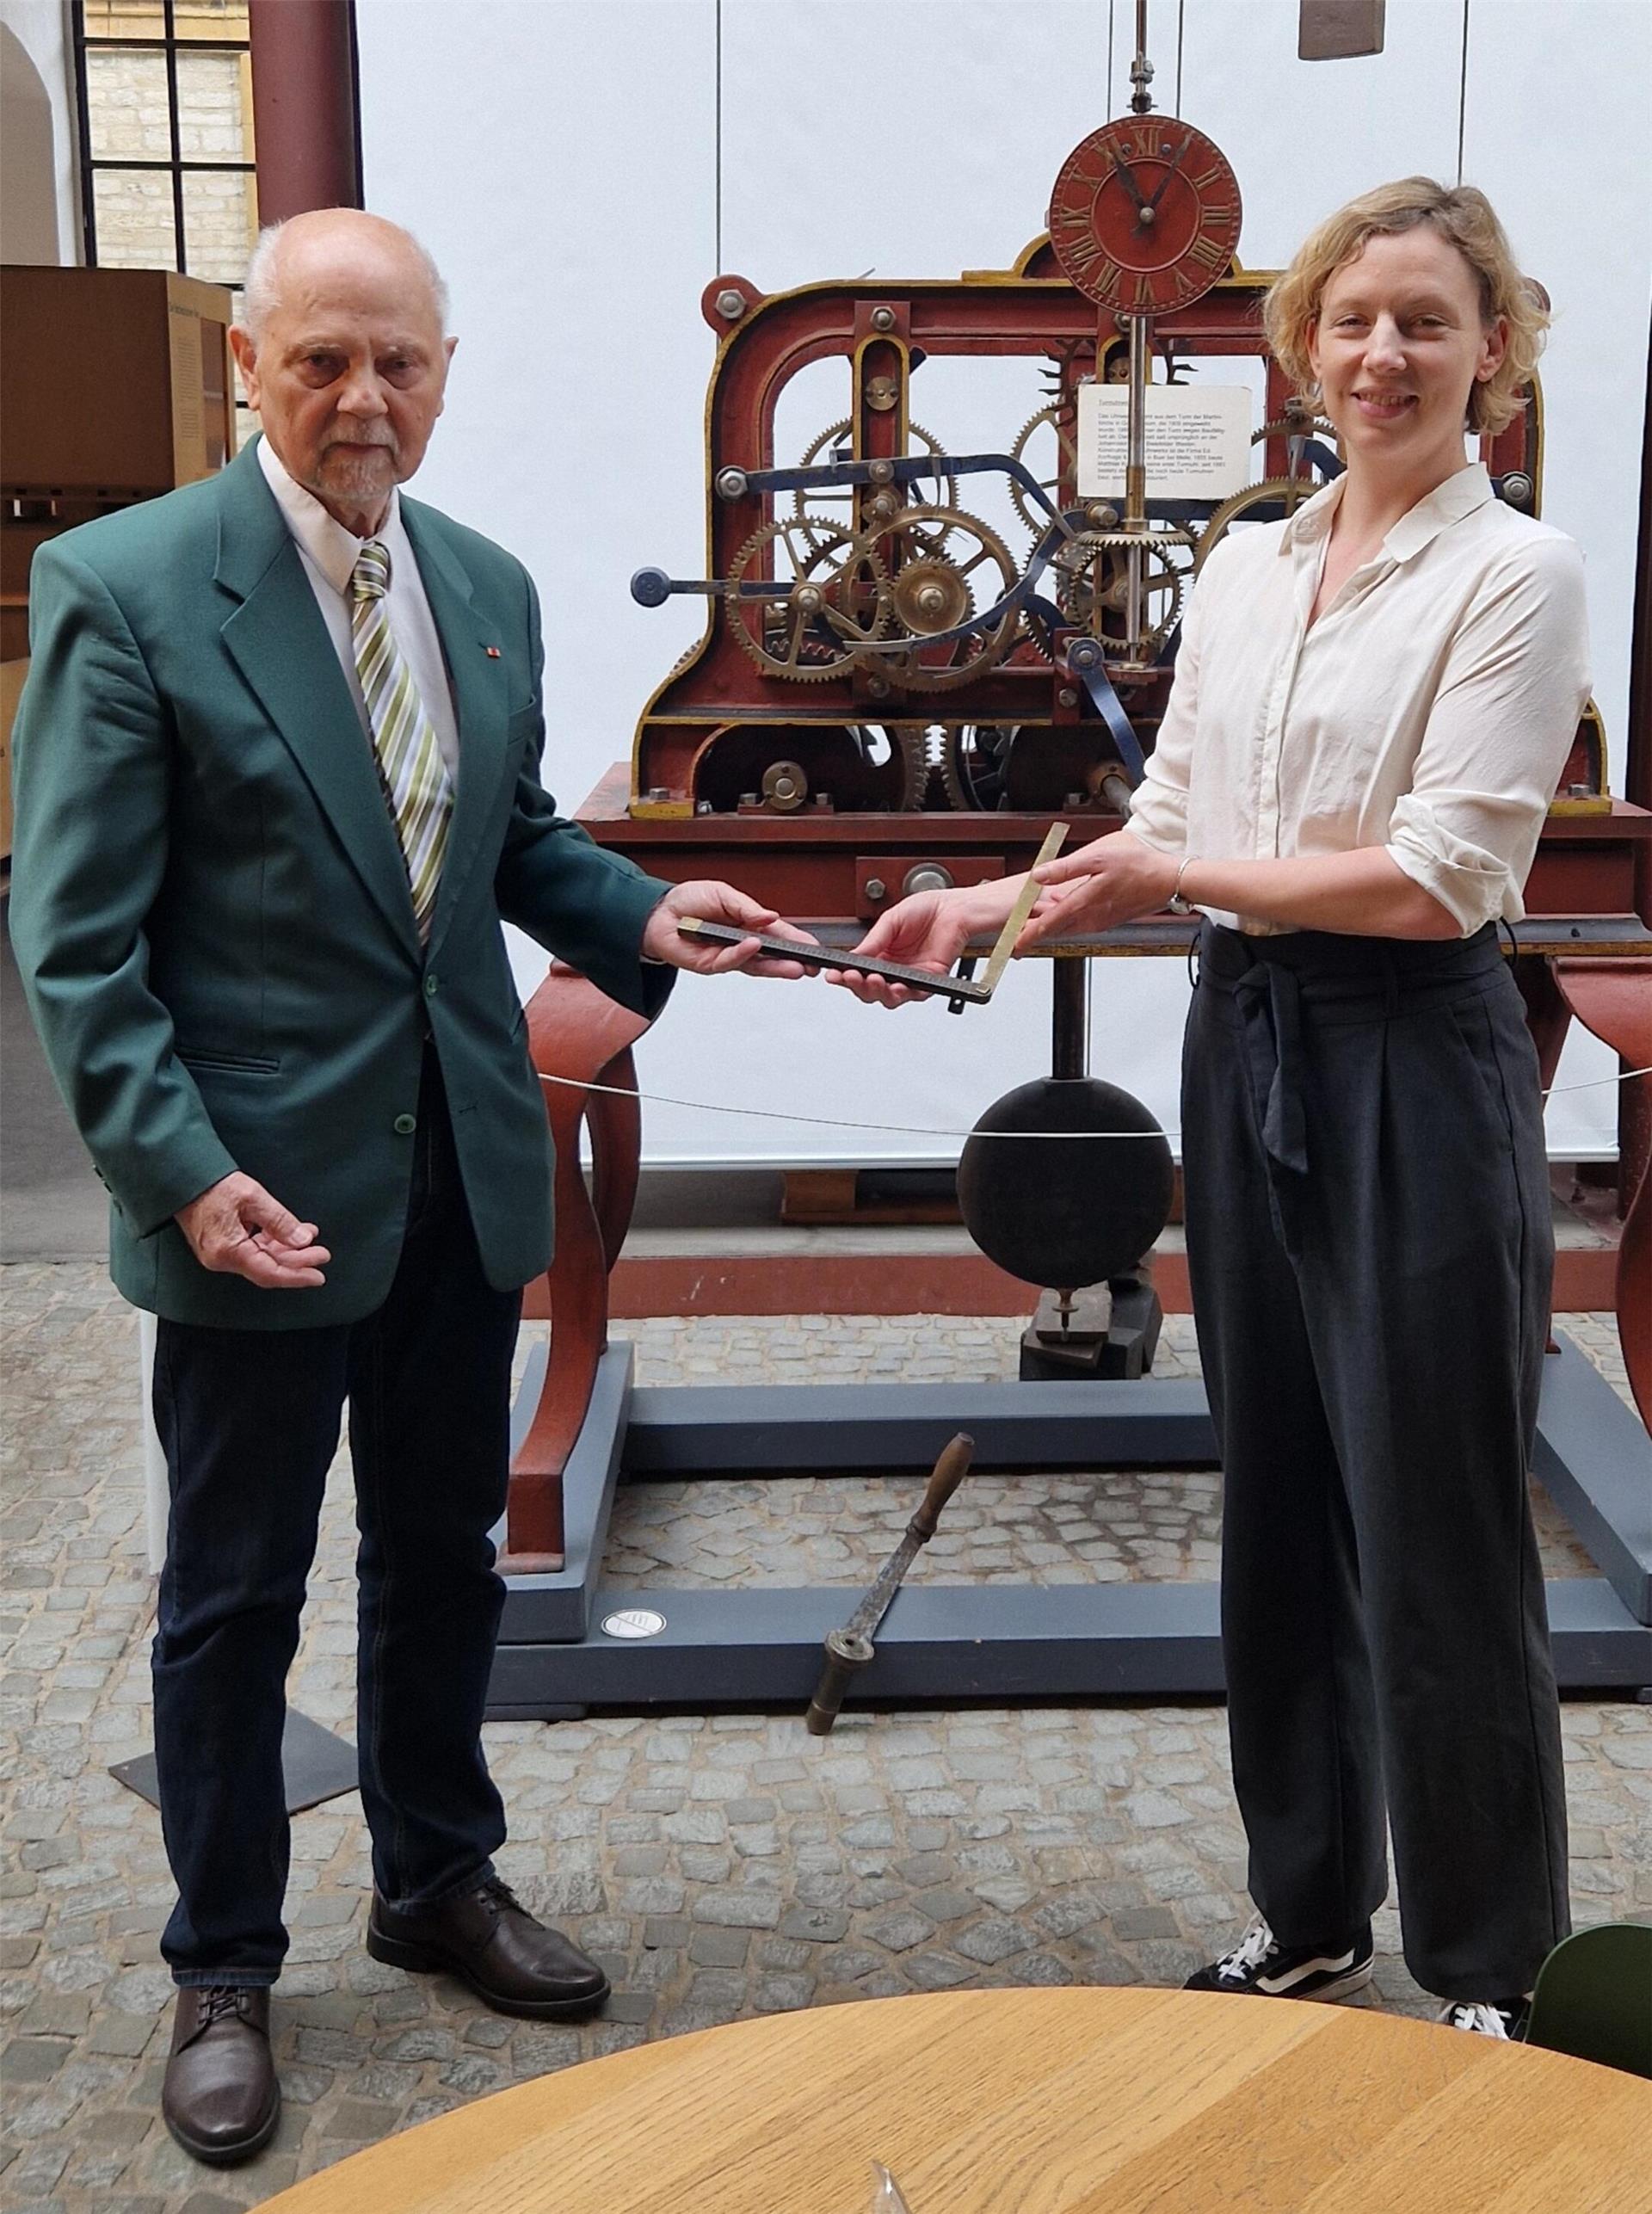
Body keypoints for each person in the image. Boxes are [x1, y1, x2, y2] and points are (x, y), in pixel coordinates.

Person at [9, 208, 813, 2167]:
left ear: (444, 372)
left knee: (442, 1558)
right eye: (324, 362)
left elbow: (503, 836)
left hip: (460, 1165)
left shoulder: (485, 586)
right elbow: (75, 937)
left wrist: (646, 908)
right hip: (261, 1205)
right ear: (249, 371)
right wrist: (184, 1177)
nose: (366, 401)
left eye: (404, 364)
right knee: (231, 1596)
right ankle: (222, 1959)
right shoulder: (126, 592)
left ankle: (437, 1876)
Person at [833, 178, 1587, 2039]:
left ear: (1492, 349)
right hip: (1244, 1038)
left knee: (1438, 1517)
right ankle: (1313, 1903)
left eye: (1425, 320)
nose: (1384, 353)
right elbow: (1167, 823)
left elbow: (1431, 880)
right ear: (1303, 349)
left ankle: (1488, 1965)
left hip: (1414, 1047)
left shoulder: (1518, 576)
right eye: (1352, 320)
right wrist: (990, 909)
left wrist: (1195, 876)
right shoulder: (1252, 563)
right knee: (1282, 1495)